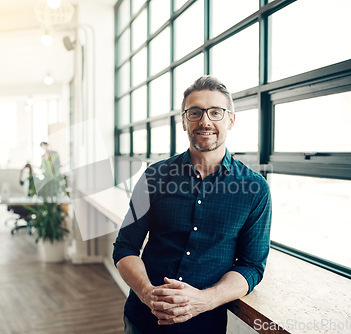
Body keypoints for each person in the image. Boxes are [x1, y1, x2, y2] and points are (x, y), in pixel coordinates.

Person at [113, 75, 272, 333]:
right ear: (184, 122)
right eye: (195, 112)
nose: (205, 121)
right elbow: (124, 247)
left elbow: (252, 266)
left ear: (231, 120)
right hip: (143, 320)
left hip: (203, 326)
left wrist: (204, 300)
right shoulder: (154, 177)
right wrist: (147, 293)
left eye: (216, 112)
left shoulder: (255, 190)